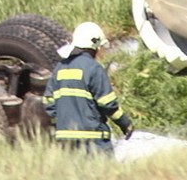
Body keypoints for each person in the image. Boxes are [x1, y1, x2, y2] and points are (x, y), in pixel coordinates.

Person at [43, 22, 134, 154]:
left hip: (65, 142)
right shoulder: (93, 68)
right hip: (92, 141)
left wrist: (62, 122)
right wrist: (125, 124)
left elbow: (48, 101)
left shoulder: (60, 68)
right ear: (94, 46)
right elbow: (107, 103)